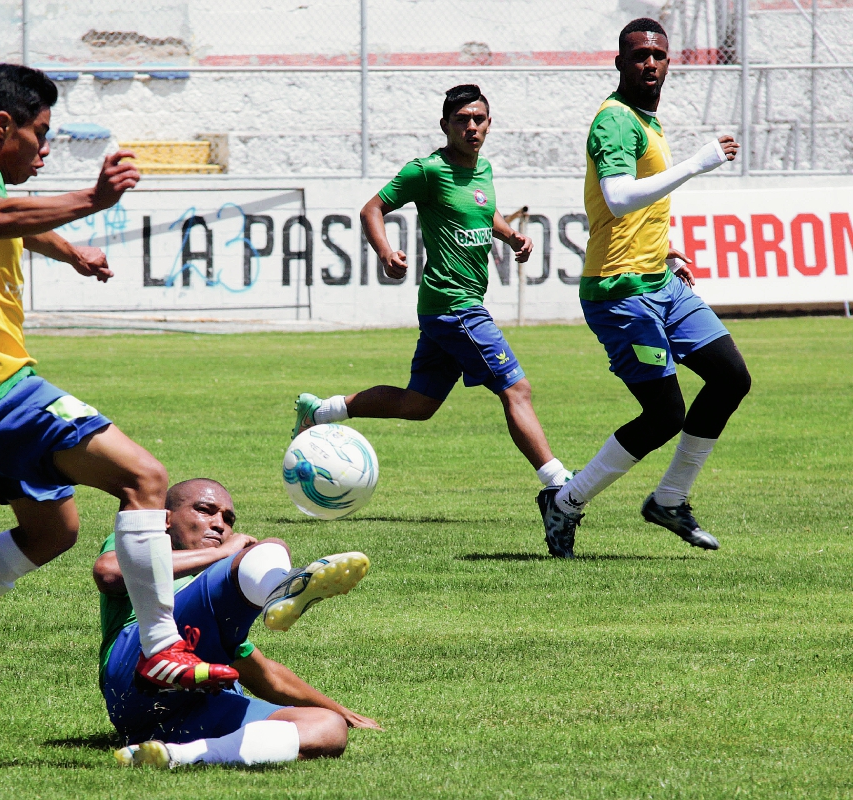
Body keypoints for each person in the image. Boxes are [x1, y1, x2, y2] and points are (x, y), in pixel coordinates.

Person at [0, 64, 237, 713]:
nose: (44, 149)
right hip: (0, 390)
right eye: (40, 135)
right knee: (145, 479)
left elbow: (9, 223)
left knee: (52, 531)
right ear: (3, 126)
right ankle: (159, 649)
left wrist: (69, 251)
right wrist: (93, 200)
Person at [293, 84, 575, 554]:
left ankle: (322, 411)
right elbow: (371, 208)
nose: (472, 127)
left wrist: (509, 237)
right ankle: (556, 486)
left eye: (480, 119)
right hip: (454, 306)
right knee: (516, 388)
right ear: (445, 125)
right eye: (463, 119)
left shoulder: (482, 169)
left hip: (448, 309)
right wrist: (386, 252)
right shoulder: (427, 170)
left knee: (419, 405)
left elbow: (486, 210)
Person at [538, 18, 752, 558]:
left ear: (668, 62)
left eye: (658, 54)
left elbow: (641, 205)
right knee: (664, 417)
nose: (649, 63)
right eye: (638, 56)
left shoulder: (646, 121)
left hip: (659, 280)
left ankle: (670, 499)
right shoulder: (614, 120)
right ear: (620, 64)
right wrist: (696, 164)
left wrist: (663, 247)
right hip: (619, 293)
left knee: (730, 379)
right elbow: (617, 198)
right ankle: (565, 501)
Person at [95, 478, 379, 769]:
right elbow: (108, 573)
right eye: (205, 510)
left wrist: (342, 712)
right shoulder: (142, 541)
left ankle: (175, 756)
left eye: (228, 519)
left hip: (179, 715)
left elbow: (265, 675)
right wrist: (221, 554)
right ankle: (279, 585)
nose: (219, 525)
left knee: (326, 730)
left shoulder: (216, 613)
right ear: (165, 519)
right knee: (270, 547)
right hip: (138, 671)